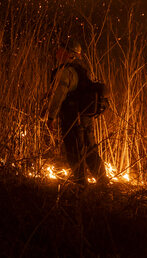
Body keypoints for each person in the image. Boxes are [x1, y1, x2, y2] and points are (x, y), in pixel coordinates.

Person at [45, 39, 108, 186]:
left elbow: (59, 96)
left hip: (72, 118)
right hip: (85, 118)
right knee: (90, 150)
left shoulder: (65, 71)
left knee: (74, 153)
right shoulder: (80, 70)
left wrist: (51, 117)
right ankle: (103, 183)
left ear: (69, 54)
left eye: (60, 49)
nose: (57, 51)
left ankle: (81, 187)